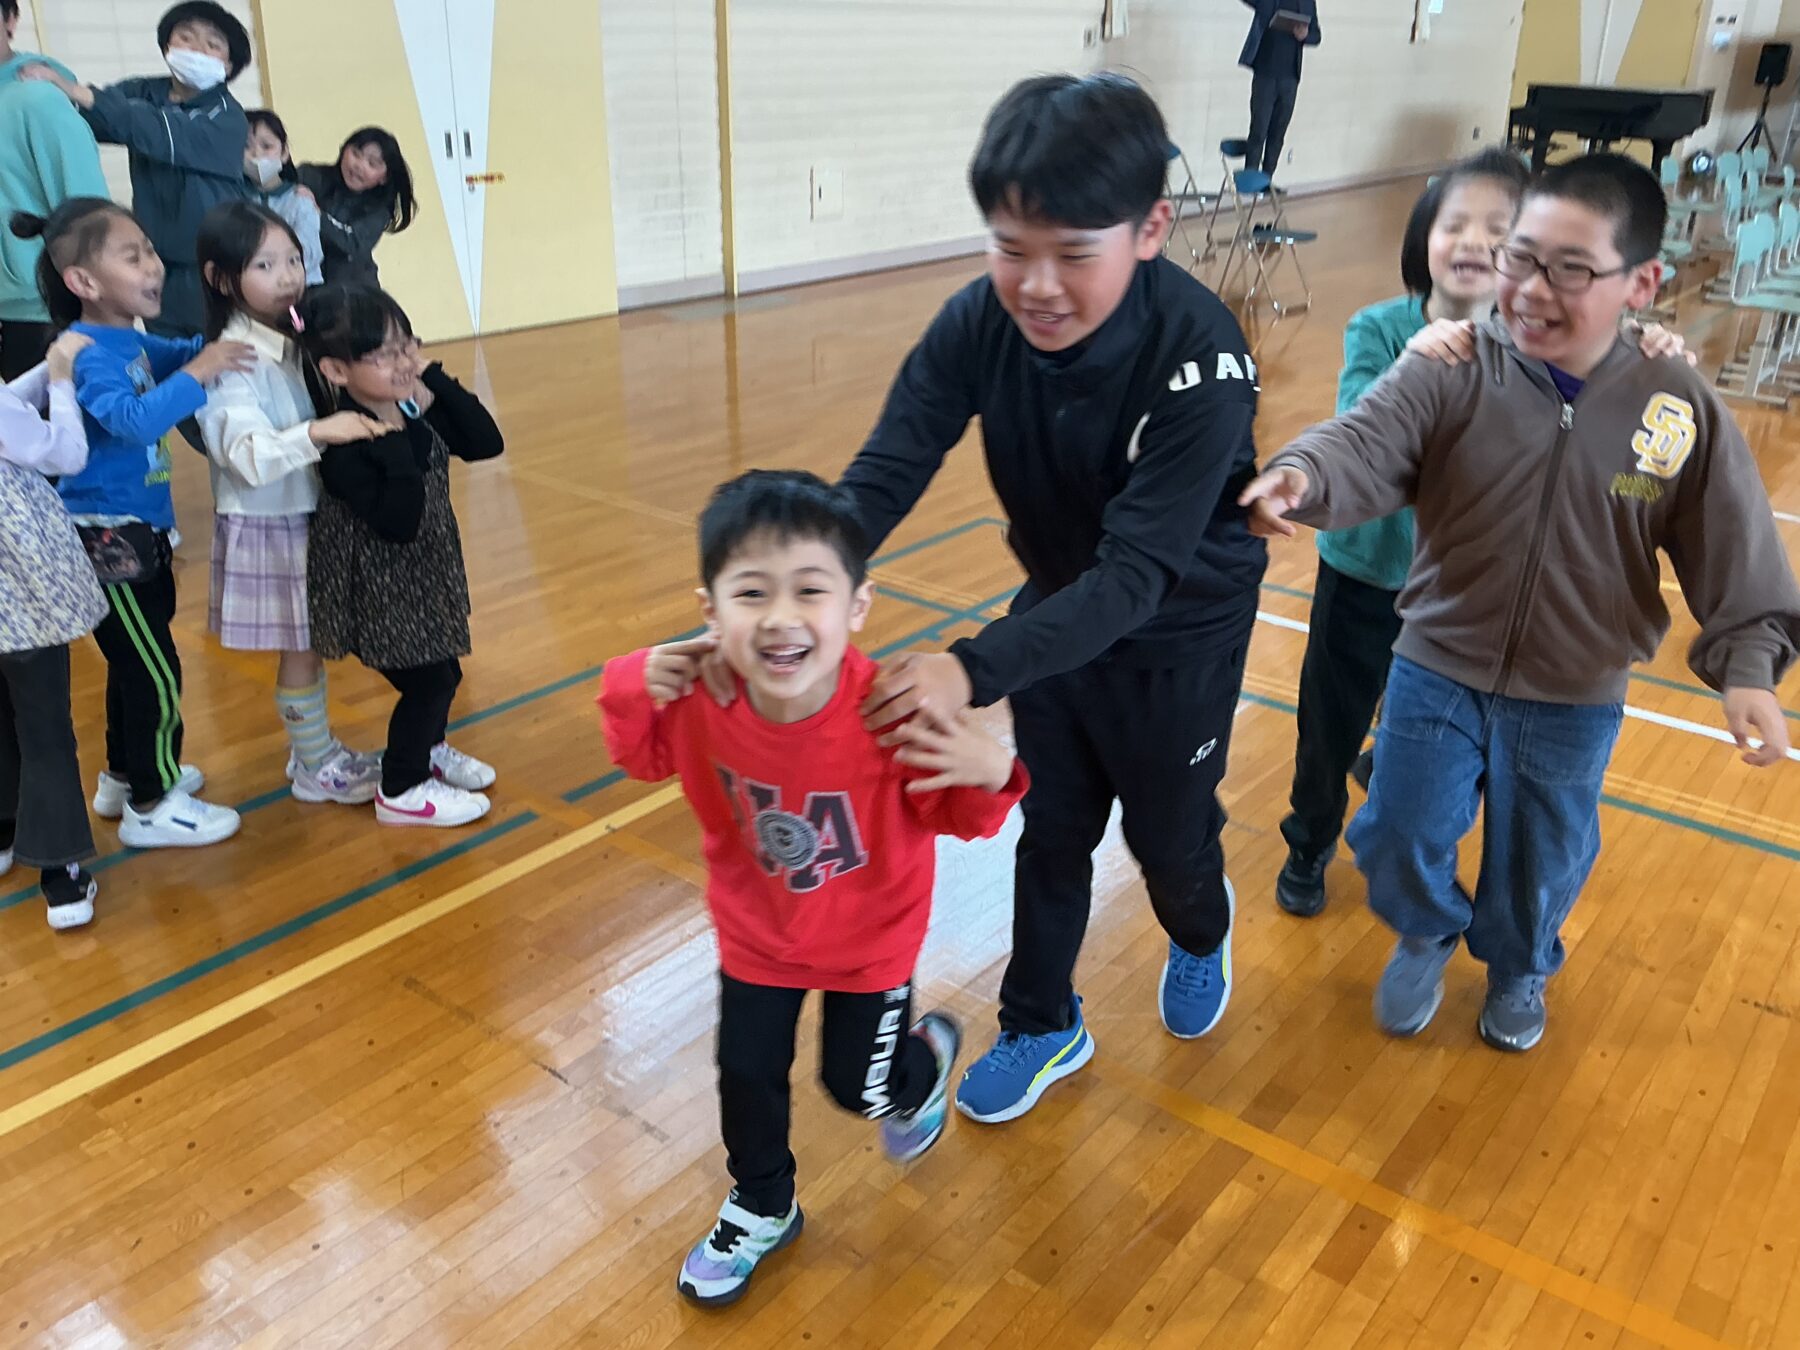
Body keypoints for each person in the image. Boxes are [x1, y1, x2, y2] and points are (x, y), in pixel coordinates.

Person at [1239, 153, 1800, 1053]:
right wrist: (1302, 474)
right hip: (1436, 661)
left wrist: (1748, 668)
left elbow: (1732, 540)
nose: (1533, 289)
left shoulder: (1675, 401)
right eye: (1520, 258)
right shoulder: (1453, 363)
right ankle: (1426, 928)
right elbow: (1367, 437)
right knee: (1395, 829)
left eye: (1570, 269)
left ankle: (1517, 963)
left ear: (1641, 282)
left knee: (1543, 861)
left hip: (1575, 688)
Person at [827, 74, 1267, 1124]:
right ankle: (1042, 1020)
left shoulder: (1202, 362)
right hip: (1061, 608)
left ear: (1152, 228)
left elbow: (1135, 578)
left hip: (1177, 636)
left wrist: (973, 665)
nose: (1038, 285)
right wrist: (800, 575)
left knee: (1171, 847)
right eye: (1011, 246)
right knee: (1052, 826)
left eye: (1075, 253)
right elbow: (888, 466)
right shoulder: (979, 320)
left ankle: (1203, 931)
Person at [599, 469, 1028, 1307]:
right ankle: (763, 1203)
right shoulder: (700, 699)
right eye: (751, 592)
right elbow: (641, 754)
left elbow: (970, 818)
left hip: (870, 945)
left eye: (811, 591)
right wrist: (632, 676)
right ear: (710, 608)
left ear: (857, 606)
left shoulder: (892, 712)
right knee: (745, 1072)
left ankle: (925, 1057)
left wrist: (995, 769)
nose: (783, 618)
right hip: (757, 935)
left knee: (858, 1090)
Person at [1275, 148, 1697, 919]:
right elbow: (1369, 432)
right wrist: (1426, 354)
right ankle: (1309, 839)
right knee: (1328, 725)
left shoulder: (1544, 349)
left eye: (1498, 231)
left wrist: (1643, 342)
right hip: (1366, 578)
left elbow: (1599, 402)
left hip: (1461, 601)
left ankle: (1405, 788)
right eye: (1454, 223)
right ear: (1423, 238)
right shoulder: (1385, 329)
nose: (1472, 242)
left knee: (1444, 745)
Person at [9, 197, 252, 848]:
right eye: (133, 254)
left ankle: (123, 776)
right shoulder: (85, 352)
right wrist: (201, 371)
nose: (152, 266)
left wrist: (225, 340)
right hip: (107, 536)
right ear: (83, 283)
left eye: (151, 251)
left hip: (137, 531)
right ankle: (153, 800)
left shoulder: (123, 340)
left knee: (132, 660)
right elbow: (135, 420)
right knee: (154, 668)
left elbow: (178, 355)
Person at [196, 202, 385, 805]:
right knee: (300, 644)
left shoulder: (291, 336)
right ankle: (313, 764)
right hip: (270, 519)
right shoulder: (233, 359)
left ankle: (315, 751)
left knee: (308, 641)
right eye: (266, 264)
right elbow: (245, 455)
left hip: (303, 510)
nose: (288, 276)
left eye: (294, 260)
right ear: (222, 279)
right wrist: (319, 435)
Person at [297, 282, 502, 827]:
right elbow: (399, 522)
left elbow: (486, 441)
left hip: (424, 578)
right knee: (430, 681)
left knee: (443, 673)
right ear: (338, 372)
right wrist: (394, 449)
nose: (403, 360)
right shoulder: (348, 445)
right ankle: (403, 786)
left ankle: (427, 750)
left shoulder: (412, 407)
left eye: (407, 345)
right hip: (378, 592)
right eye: (385, 354)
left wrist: (429, 375)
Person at [23, 1, 252, 337]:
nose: (196, 50)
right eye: (185, 38)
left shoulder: (228, 118)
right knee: (166, 349)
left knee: (218, 351)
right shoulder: (144, 91)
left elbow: (156, 130)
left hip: (210, 262)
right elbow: (95, 119)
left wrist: (79, 92)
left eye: (212, 45)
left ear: (229, 64)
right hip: (156, 259)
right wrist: (55, 94)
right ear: (167, 46)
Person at [0, 331, 106, 928]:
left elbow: (8, 412)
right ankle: (60, 874)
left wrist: (42, 371)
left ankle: (4, 830)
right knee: (43, 723)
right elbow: (65, 453)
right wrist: (62, 379)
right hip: (19, 587)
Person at [0, 0, 108, 380]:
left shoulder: (39, 99)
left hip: (47, 311)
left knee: (83, 433)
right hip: (8, 318)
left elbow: (89, 212)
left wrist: (100, 303)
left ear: (10, 19)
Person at [298, 129, 417, 288]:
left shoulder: (379, 211)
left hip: (352, 292)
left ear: (384, 177)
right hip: (303, 283)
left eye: (372, 164)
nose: (359, 165)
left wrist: (316, 214)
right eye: (355, 153)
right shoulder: (310, 176)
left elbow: (352, 244)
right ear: (343, 149)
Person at [1239, 0, 1320, 179]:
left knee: (1278, 132)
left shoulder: (1308, 2)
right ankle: (1250, 181)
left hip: (1290, 76)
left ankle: (1267, 180)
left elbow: (1316, 35)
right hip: (1265, 73)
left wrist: (1305, 35)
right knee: (1259, 130)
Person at [243, 110, 323, 285]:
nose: (256, 154)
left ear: (284, 152)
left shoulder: (299, 200)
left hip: (301, 290)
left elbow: (309, 253)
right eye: (246, 146)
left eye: (266, 146)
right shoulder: (235, 198)